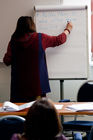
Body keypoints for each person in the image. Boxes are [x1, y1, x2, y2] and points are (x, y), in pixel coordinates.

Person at [3, 16, 73, 102]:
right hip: (37, 89)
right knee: (38, 112)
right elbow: (59, 40)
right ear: (32, 25)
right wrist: (67, 30)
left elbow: (6, 61)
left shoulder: (13, 41)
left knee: (19, 114)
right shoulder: (40, 38)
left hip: (18, 88)